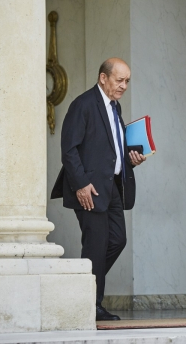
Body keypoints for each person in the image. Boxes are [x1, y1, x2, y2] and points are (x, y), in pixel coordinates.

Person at [51, 58, 146, 321]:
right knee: (95, 245)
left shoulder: (114, 107)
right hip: (89, 188)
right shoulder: (82, 105)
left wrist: (131, 159)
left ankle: (82, 289)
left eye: (127, 81)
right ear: (103, 78)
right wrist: (80, 184)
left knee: (117, 239)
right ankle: (91, 305)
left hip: (112, 186)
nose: (124, 85)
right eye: (119, 80)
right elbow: (68, 150)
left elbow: (111, 151)